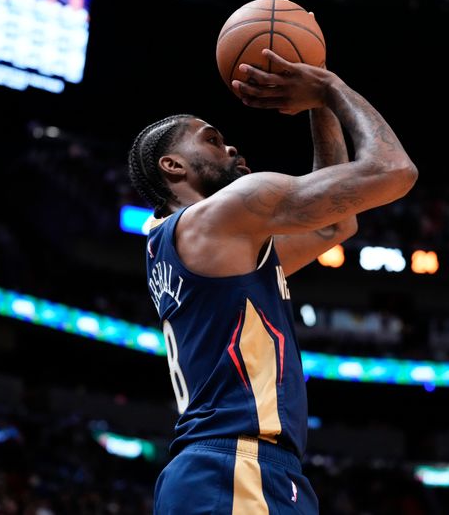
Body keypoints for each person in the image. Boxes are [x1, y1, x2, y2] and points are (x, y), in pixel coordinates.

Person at [127, 48, 418, 514]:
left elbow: (335, 226)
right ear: (173, 166)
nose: (232, 148)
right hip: (236, 468)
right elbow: (395, 172)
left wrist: (317, 108)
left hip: (240, 469)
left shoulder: (207, 241)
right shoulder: (225, 212)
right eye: (212, 140)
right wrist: (329, 87)